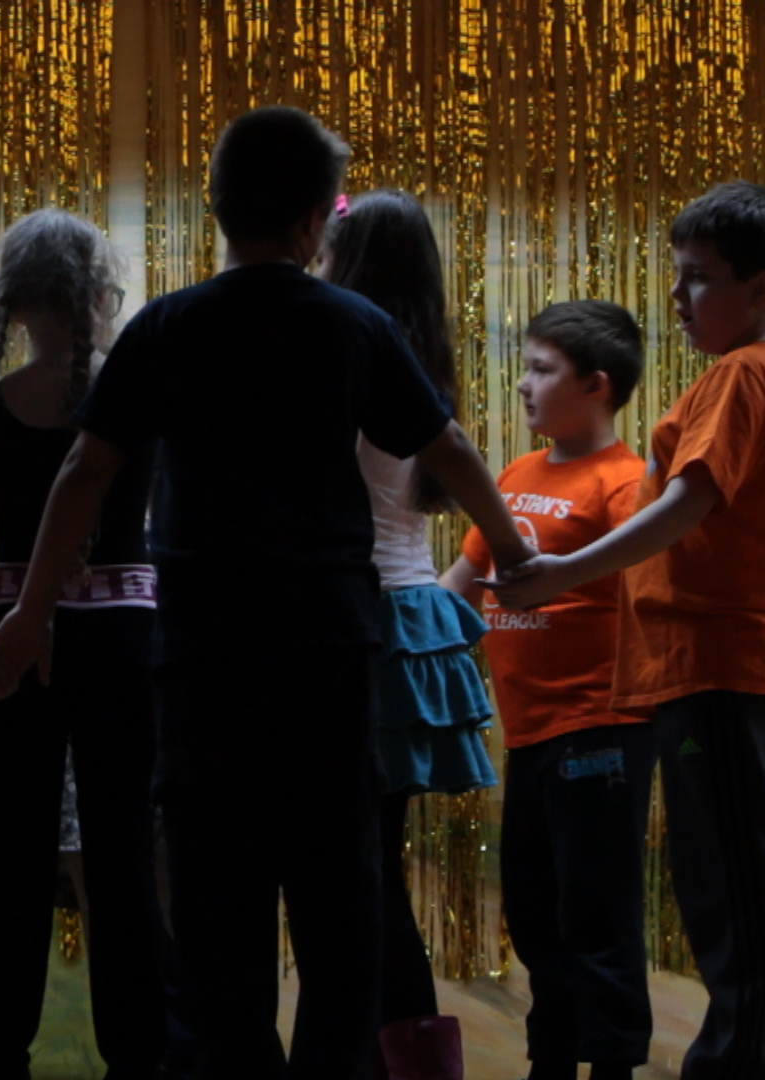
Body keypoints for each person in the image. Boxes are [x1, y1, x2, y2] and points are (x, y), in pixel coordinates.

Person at [0, 106, 533, 1079]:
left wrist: (31, 615)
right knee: (339, 900)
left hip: (202, 659)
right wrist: (513, 550)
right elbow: (444, 444)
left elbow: (84, 472)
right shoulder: (353, 323)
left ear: (216, 207)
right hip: (327, 650)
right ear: (317, 220)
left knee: (214, 902)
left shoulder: (168, 325)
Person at [491, 182, 765, 1079]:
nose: (677, 296)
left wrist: (561, 573)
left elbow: (686, 504)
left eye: (698, 278)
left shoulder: (745, 374)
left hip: (715, 665)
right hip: (738, 668)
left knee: (735, 894)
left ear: (762, 287)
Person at [0, 207, 168, 1080]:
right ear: (99, 293)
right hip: (124, 636)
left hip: (13, 648)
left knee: (15, 863)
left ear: (11, 301)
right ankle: (140, 1060)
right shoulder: (139, 397)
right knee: (124, 862)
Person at [440, 301, 652, 1080]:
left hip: (599, 728)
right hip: (529, 735)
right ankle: (552, 1059)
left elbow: (651, 597)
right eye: (525, 367)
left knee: (596, 914)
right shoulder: (518, 476)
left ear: (596, 386)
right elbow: (462, 584)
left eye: (541, 370)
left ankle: (614, 1063)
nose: (524, 384)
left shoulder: (626, 486)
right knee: (535, 913)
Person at [315, 188, 498, 1075]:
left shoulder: (345, 360)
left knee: (355, 875)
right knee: (369, 869)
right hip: (407, 615)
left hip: (360, 621)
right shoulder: (419, 362)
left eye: (327, 248)